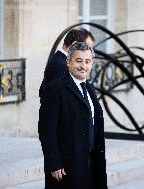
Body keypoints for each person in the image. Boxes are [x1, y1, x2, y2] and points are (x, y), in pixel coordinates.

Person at [39, 42, 107, 189]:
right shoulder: (55, 89)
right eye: (78, 61)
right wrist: (54, 163)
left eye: (87, 62)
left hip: (91, 163)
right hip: (66, 167)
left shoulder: (90, 89)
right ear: (68, 62)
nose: (83, 66)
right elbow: (47, 131)